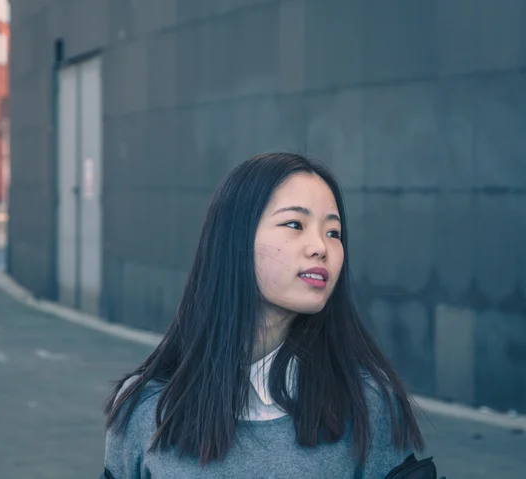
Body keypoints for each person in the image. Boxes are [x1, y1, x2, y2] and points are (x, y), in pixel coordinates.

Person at [102, 152, 427, 478]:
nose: (320, 247)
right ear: (234, 239)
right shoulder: (143, 408)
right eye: (294, 224)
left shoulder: (368, 404)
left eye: (333, 232)